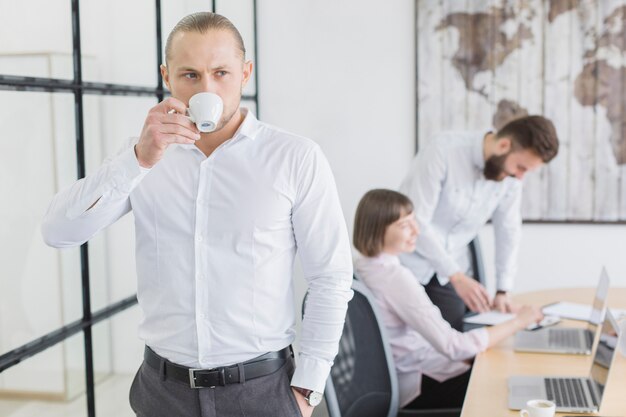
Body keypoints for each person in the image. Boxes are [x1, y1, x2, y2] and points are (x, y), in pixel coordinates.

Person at [42, 12, 353, 417]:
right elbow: (58, 231)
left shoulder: (294, 157)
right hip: (162, 392)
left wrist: (308, 390)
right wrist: (138, 160)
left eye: (221, 72)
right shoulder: (140, 157)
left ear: (245, 73)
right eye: (190, 75)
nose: (207, 88)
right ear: (167, 77)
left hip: (263, 391)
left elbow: (331, 276)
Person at [353, 189, 543, 410]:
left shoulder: (363, 266)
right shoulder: (395, 278)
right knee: (506, 380)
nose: (417, 230)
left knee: (490, 361)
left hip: (403, 375)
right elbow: (453, 346)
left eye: (415, 221)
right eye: (405, 225)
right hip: (417, 386)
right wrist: (521, 321)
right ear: (378, 230)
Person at [398, 116, 559, 330]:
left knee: (461, 339)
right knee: (411, 343)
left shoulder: (511, 179)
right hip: (409, 264)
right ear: (504, 145)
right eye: (520, 167)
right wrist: (456, 276)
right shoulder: (443, 151)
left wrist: (503, 290)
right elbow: (417, 221)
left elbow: (508, 231)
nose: (520, 177)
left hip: (450, 271)